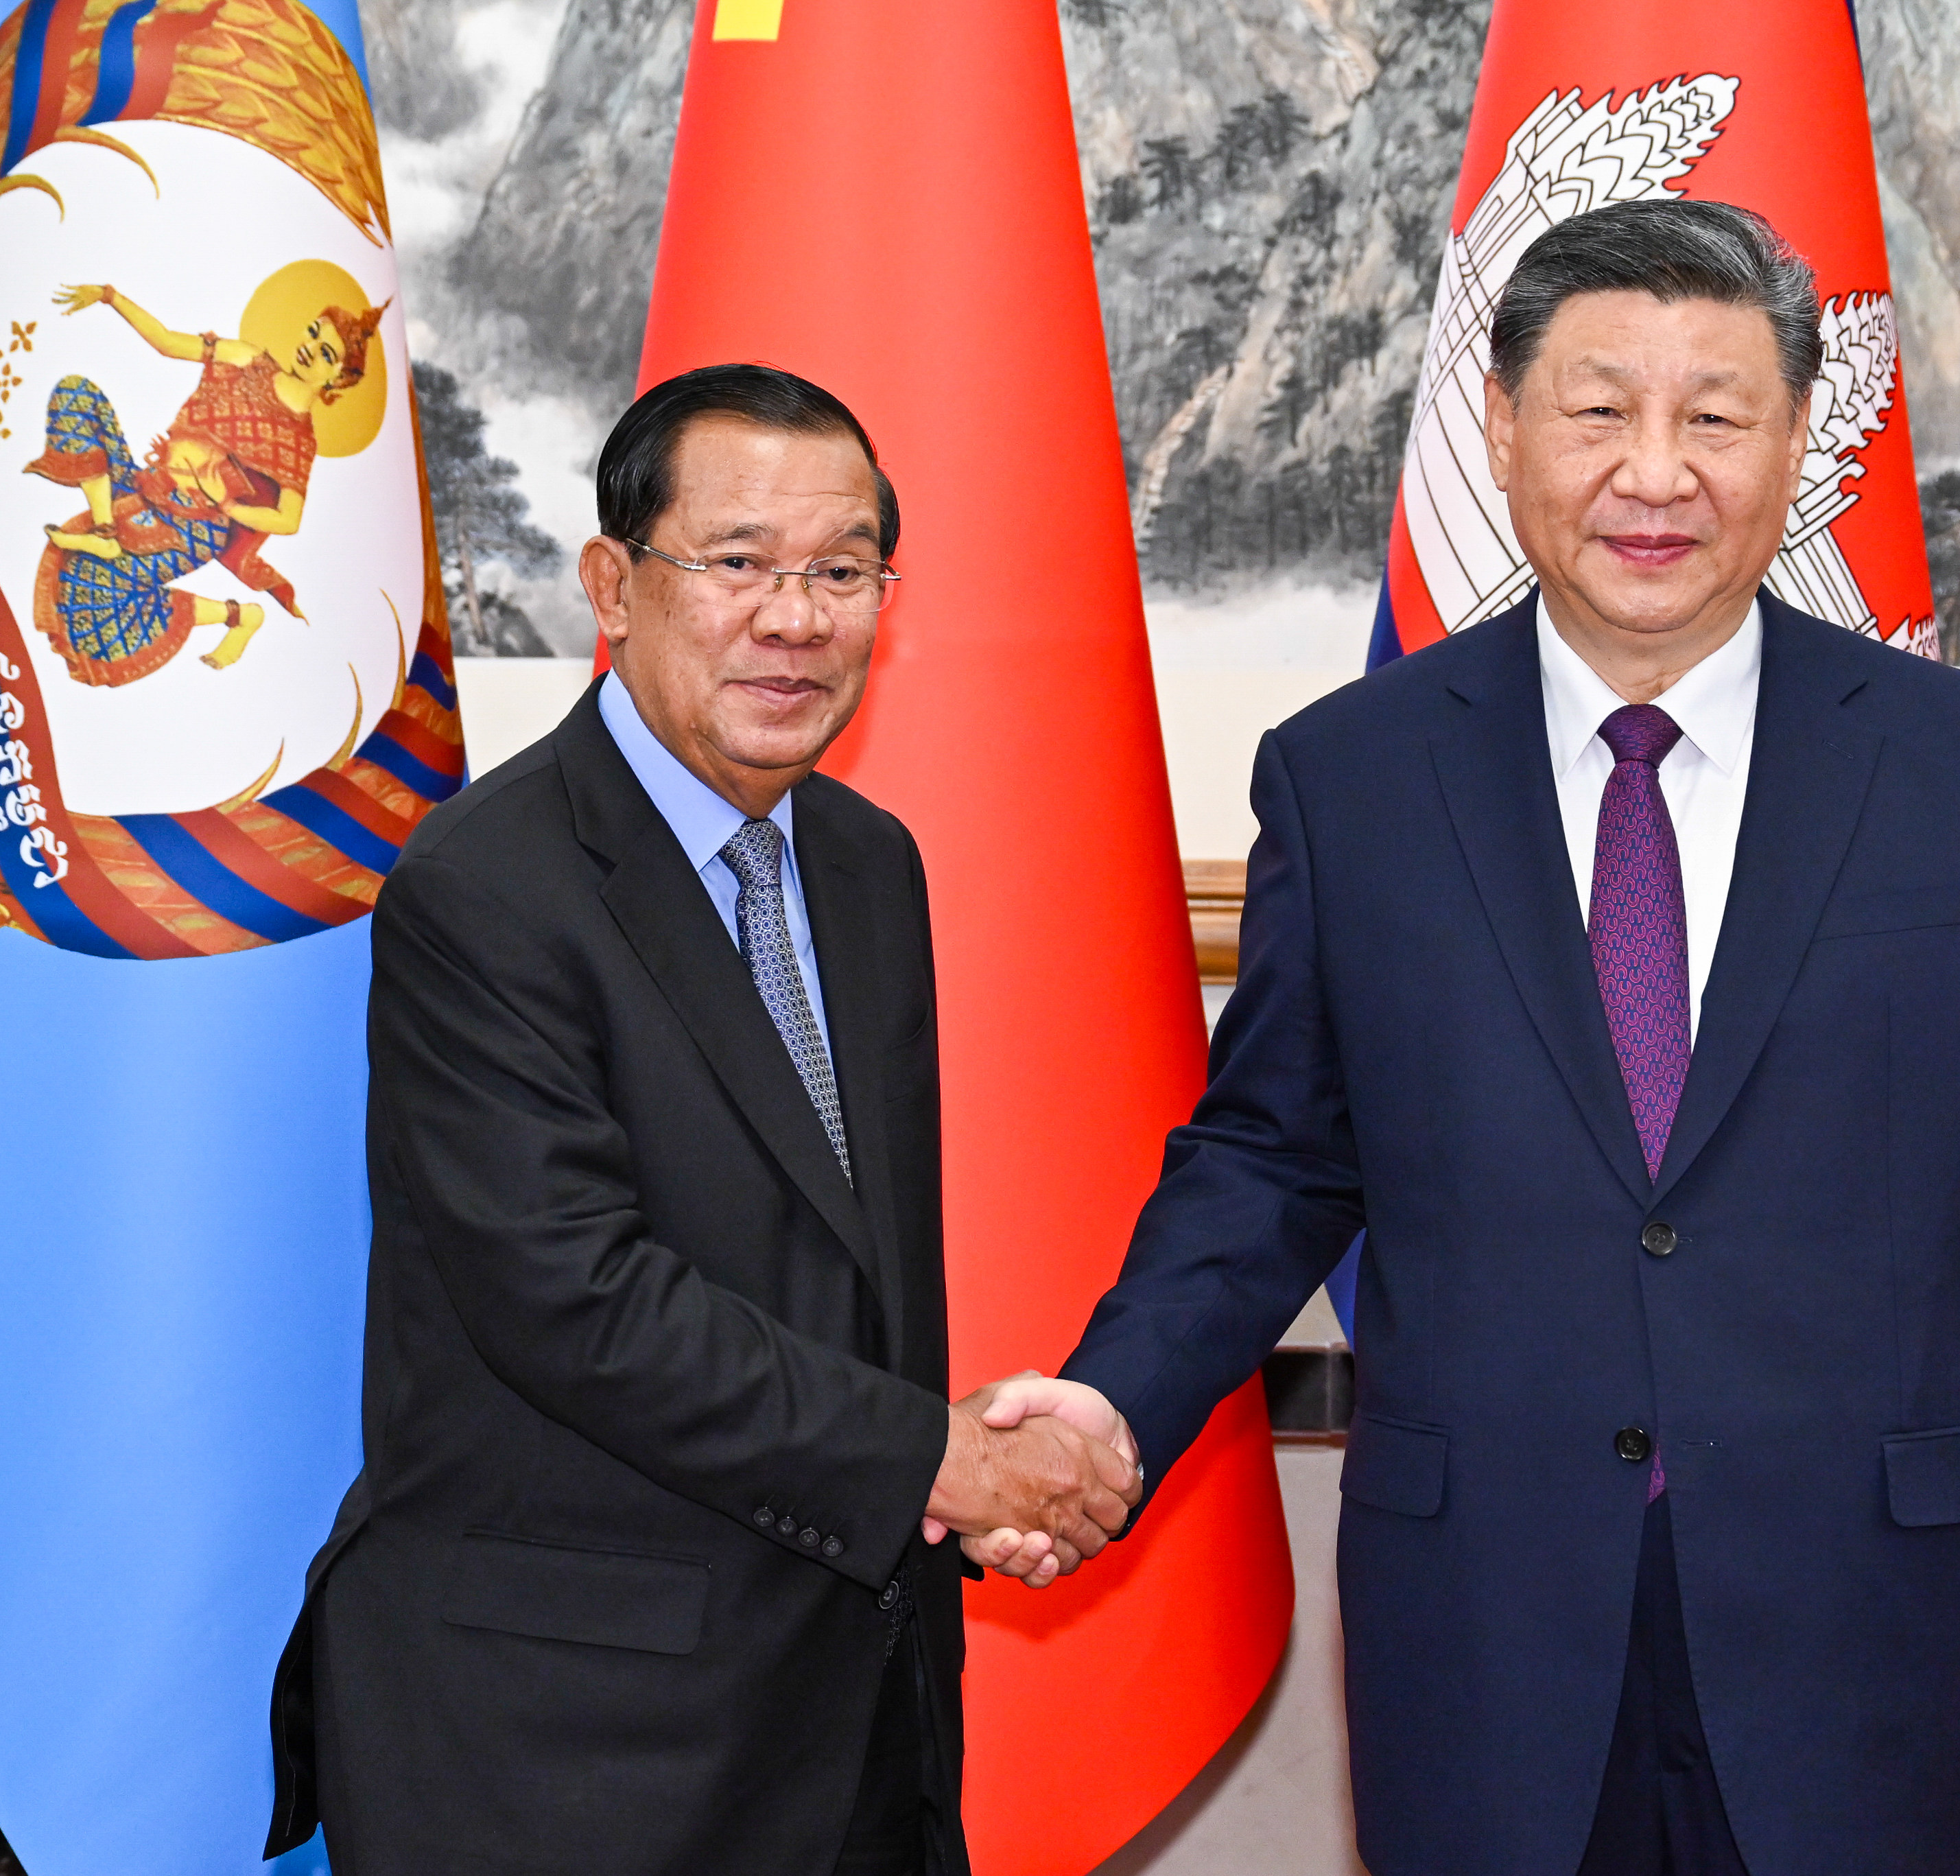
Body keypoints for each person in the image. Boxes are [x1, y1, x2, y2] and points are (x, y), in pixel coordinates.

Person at [991, 201, 1960, 1873]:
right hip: (1492, 1630)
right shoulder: (1353, 777)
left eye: (1716, 415)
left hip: (1897, 1631)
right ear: (1501, 430)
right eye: (1598, 410)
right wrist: (1112, 1407)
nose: (1658, 472)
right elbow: (1274, 1153)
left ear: (1797, 440)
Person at [263, 363, 1139, 1876]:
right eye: (736, 564)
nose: (793, 620)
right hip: (561, 1739)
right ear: (613, 582)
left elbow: (844, 1275)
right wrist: (936, 1460)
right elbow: (573, 1299)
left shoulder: (869, 865)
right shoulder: (487, 889)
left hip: (848, 1702)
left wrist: (951, 1466)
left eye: (840, 572)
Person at [25, 283, 375, 681]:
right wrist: (111, 297)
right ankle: (105, 529)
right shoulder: (248, 358)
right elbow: (167, 343)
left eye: (326, 354)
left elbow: (288, 519)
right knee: (76, 395)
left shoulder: (299, 440)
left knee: (97, 589)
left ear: (339, 379)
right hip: (148, 488)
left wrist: (227, 507)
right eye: (313, 333)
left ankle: (241, 617)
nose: (310, 350)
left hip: (196, 529)